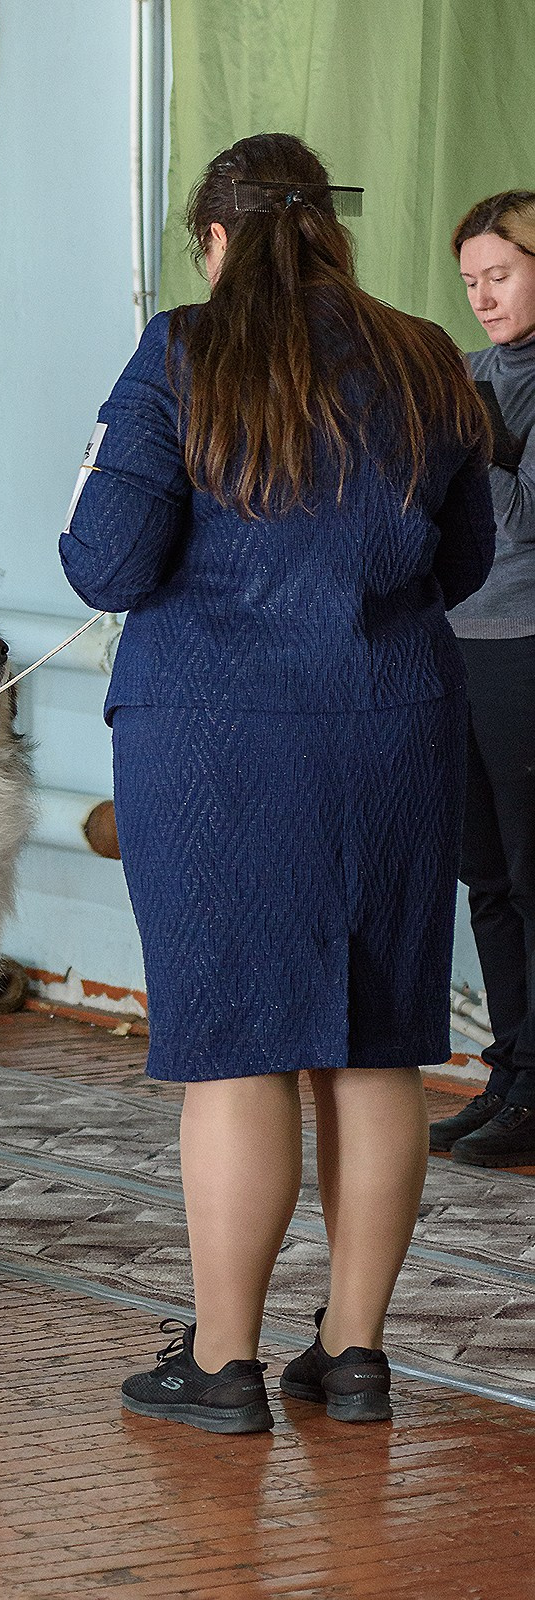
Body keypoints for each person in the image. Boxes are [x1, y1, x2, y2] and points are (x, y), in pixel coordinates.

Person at [59, 133, 495, 1433]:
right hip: (395, 733)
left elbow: (107, 562)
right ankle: (355, 1357)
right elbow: (463, 561)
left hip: (215, 748)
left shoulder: (182, 355)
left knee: (239, 1045)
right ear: (329, 232)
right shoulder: (423, 354)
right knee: (380, 1045)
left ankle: (226, 1364)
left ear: (214, 239)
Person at [428, 193, 535, 1170]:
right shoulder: (466, 372)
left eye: (497, 275)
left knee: (530, 874)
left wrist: (482, 440)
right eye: (468, 281)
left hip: (525, 644)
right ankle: (507, 1075)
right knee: (485, 877)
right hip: (455, 639)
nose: (480, 296)